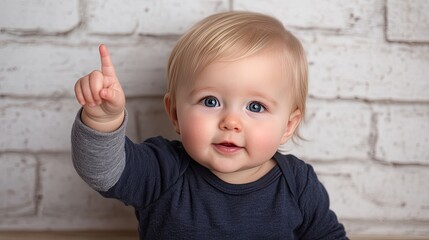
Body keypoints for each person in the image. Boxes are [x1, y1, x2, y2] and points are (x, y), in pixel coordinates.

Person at [71, 11, 347, 239]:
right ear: (176, 114)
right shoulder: (163, 170)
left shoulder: (297, 185)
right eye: (211, 101)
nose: (231, 122)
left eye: (255, 107)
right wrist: (102, 120)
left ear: (288, 125)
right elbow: (104, 171)